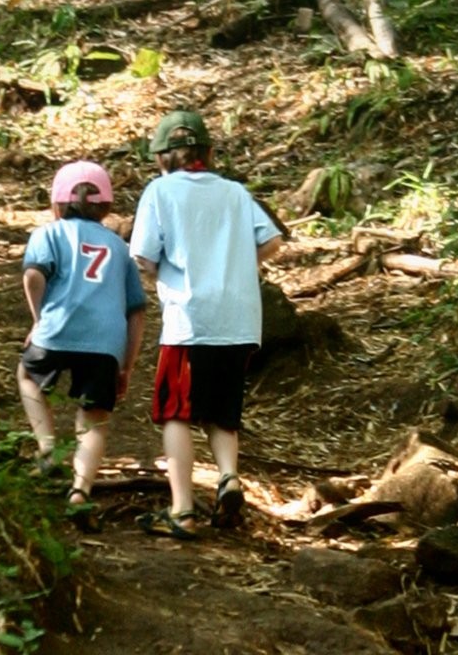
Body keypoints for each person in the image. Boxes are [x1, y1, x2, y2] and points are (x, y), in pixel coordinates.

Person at [131, 108, 284, 537]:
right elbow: (273, 240)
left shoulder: (160, 192)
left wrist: (164, 271)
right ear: (208, 152)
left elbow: (143, 255)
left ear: (162, 157)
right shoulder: (235, 193)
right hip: (238, 318)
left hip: (189, 319)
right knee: (222, 412)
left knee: (175, 413)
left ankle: (182, 510)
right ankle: (229, 480)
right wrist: (237, 265)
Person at [17, 160, 147, 523]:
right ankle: (80, 491)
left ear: (57, 203)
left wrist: (38, 319)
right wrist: (126, 365)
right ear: (105, 208)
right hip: (105, 343)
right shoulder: (120, 249)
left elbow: (32, 276)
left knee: (28, 376)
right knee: (94, 417)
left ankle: (47, 449)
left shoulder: (48, 234)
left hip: (55, 330)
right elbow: (137, 312)